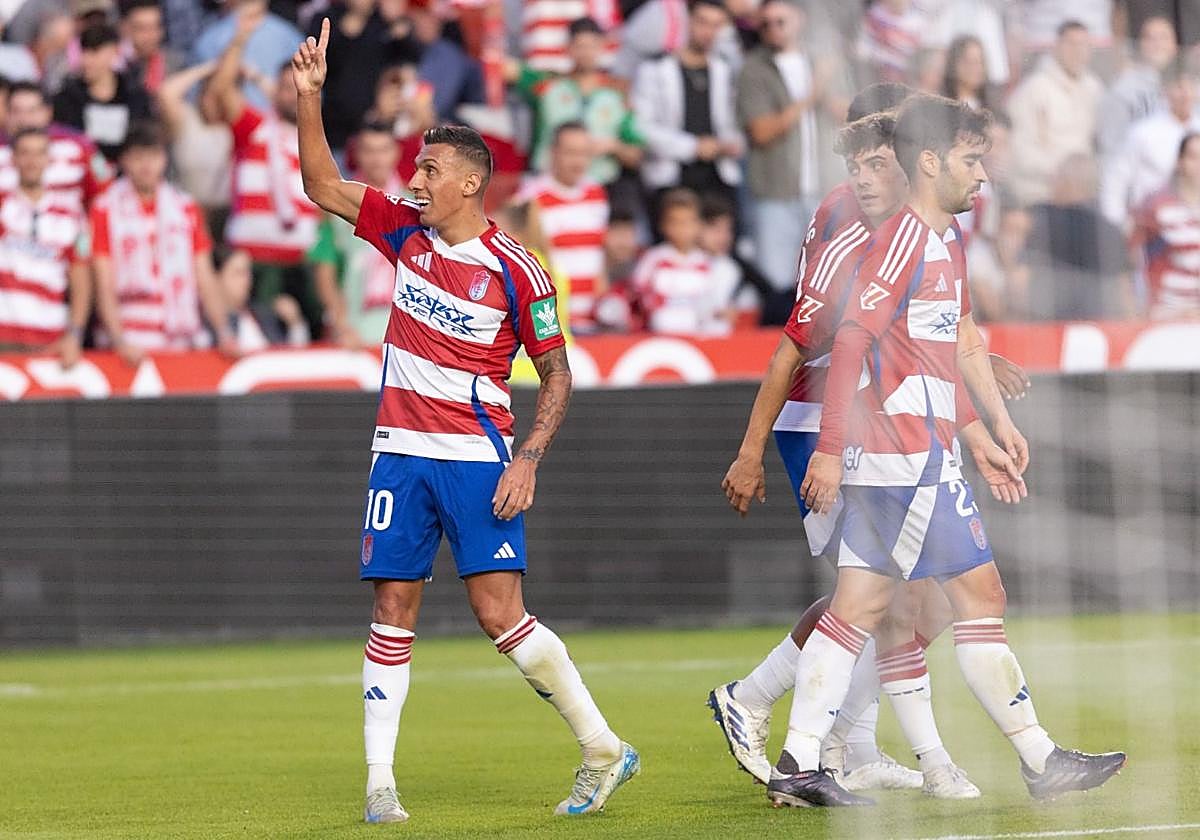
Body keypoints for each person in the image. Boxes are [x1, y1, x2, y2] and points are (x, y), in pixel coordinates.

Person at [292, 19, 640, 824]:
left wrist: (529, 457)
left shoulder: (518, 269)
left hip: (477, 458)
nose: (415, 178)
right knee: (391, 609)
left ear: (471, 183)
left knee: (498, 616)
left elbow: (557, 371)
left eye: (431, 169)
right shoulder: (401, 230)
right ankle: (380, 783)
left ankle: (602, 748)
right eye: (417, 166)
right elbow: (321, 185)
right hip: (399, 453)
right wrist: (310, 98)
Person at [774, 93, 1126, 808]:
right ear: (930, 162)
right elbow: (850, 343)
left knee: (859, 605)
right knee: (979, 595)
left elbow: (957, 345)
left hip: (907, 453)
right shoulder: (902, 241)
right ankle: (1040, 760)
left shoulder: (945, 239)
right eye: (971, 159)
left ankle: (798, 761)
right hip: (906, 456)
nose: (983, 174)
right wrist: (828, 450)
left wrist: (994, 425)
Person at [712, 93, 1027, 802]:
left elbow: (934, 339)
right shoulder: (850, 226)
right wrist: (751, 449)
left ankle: (845, 747)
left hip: (883, 422)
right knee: (877, 597)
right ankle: (761, 705)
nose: (867, 173)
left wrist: (975, 399)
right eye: (864, 160)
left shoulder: (926, 228)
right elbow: (799, 346)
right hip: (824, 422)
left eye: (878, 160)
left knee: (907, 601)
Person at [207, 2, 320, 323]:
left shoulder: (314, 138)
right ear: (274, 92)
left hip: (302, 262)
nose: (291, 94)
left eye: (296, 88)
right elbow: (221, 90)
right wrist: (240, 40)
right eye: (284, 87)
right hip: (253, 262)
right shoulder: (254, 127)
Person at [89, 122, 236, 357]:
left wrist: (224, 333)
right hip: (130, 337)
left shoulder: (185, 208)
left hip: (182, 337)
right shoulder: (105, 209)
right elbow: (103, 281)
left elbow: (204, 275)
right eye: (138, 157)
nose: (146, 166)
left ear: (164, 159)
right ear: (124, 161)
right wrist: (119, 340)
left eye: (153, 156)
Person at [736, 0, 826, 295]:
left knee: (825, 286)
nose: (773, 29)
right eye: (765, 24)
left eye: (780, 21)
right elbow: (761, 131)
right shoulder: (753, 68)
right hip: (775, 193)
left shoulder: (820, 61)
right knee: (777, 285)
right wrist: (811, 97)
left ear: (799, 19)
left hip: (823, 191)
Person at [632, 0, 743, 221]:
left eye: (716, 25)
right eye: (703, 22)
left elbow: (736, 122)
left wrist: (730, 143)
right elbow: (641, 127)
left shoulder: (725, 70)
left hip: (718, 178)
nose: (708, 32)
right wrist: (693, 147)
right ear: (687, 21)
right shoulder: (655, 69)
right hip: (671, 177)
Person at [512, 17, 644, 202]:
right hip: (548, 187)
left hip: (601, 189)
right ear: (568, 48)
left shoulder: (617, 94)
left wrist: (614, 146)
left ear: (602, 47)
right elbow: (505, 68)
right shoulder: (547, 85)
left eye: (592, 46)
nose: (586, 53)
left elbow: (637, 154)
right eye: (580, 46)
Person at [309, 122, 406, 349]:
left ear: (396, 152)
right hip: (355, 332)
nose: (377, 159)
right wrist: (341, 325)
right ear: (357, 154)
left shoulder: (416, 206)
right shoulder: (336, 209)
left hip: (405, 336)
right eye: (369, 151)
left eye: (383, 150)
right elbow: (325, 270)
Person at [0, 127, 90, 367]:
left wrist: (74, 335)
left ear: (49, 159)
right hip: (3, 339)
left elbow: (81, 280)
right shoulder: (3, 204)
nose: (32, 161)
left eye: (39, 153)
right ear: (13, 159)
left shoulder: (72, 215)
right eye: (25, 153)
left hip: (50, 341)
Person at [515, 121, 609, 333]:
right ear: (553, 153)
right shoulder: (531, 197)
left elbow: (598, 253)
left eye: (584, 153)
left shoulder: (597, 193)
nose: (578, 161)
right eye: (571, 153)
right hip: (552, 321)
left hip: (590, 322)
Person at [1007, 20, 1103, 207]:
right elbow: (1020, 150)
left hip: (1085, 193)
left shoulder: (1095, 88)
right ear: (1057, 47)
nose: (1077, 51)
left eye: (1083, 45)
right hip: (1042, 192)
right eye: (1071, 44)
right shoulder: (1034, 89)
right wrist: (1062, 175)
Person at [1101, 60, 1200, 230]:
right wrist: (1119, 225)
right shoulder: (1143, 132)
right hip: (1151, 226)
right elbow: (1115, 180)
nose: (1185, 94)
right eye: (1179, 87)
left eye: (1190, 87)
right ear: (1165, 90)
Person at [631, 187, 737, 336]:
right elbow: (638, 295)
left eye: (687, 222)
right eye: (676, 222)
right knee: (664, 319)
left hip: (698, 330)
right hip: (661, 329)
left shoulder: (706, 264)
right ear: (663, 225)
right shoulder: (654, 259)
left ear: (698, 225)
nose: (682, 229)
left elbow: (714, 302)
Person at [51, 22, 152, 162]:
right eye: (83, 52)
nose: (86, 60)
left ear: (115, 51)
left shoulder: (136, 97)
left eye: (94, 52)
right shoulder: (66, 99)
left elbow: (145, 139)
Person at [0, 81, 111, 208]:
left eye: (32, 111)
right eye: (16, 111)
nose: (24, 119)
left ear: (48, 112)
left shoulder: (81, 145)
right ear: (6, 113)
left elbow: (105, 183)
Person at [1130, 132, 1200, 318]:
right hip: (1167, 311)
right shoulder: (1157, 206)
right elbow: (1134, 257)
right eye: (1193, 157)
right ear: (1180, 161)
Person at [1096, 15, 1179, 159]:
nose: (1157, 44)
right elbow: (1109, 143)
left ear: (1175, 46)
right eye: (1150, 38)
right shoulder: (1123, 87)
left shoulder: (1186, 87)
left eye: (1164, 37)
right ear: (1140, 45)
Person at [120, 0, 183, 97]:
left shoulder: (176, 64)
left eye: (155, 27)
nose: (151, 36)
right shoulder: (116, 65)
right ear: (126, 29)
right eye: (142, 28)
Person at [941, 35, 992, 111]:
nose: (976, 68)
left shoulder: (994, 111)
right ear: (954, 64)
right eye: (969, 62)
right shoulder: (940, 109)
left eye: (980, 62)